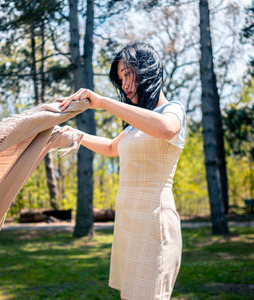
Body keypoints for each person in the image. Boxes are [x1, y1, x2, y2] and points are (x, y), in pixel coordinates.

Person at [57, 42, 186, 300]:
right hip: (128, 223)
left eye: (128, 74)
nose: (124, 84)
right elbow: (110, 147)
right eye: (120, 77)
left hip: (154, 223)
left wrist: (103, 102)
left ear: (147, 70)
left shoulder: (173, 111)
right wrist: (74, 135)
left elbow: (165, 129)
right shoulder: (133, 125)